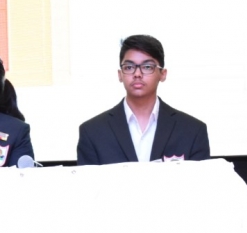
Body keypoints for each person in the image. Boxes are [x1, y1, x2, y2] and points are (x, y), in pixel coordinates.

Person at [76, 35, 209, 165]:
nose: (137, 74)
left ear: (163, 74)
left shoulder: (192, 131)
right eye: (129, 67)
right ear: (120, 75)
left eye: (147, 67)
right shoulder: (93, 132)